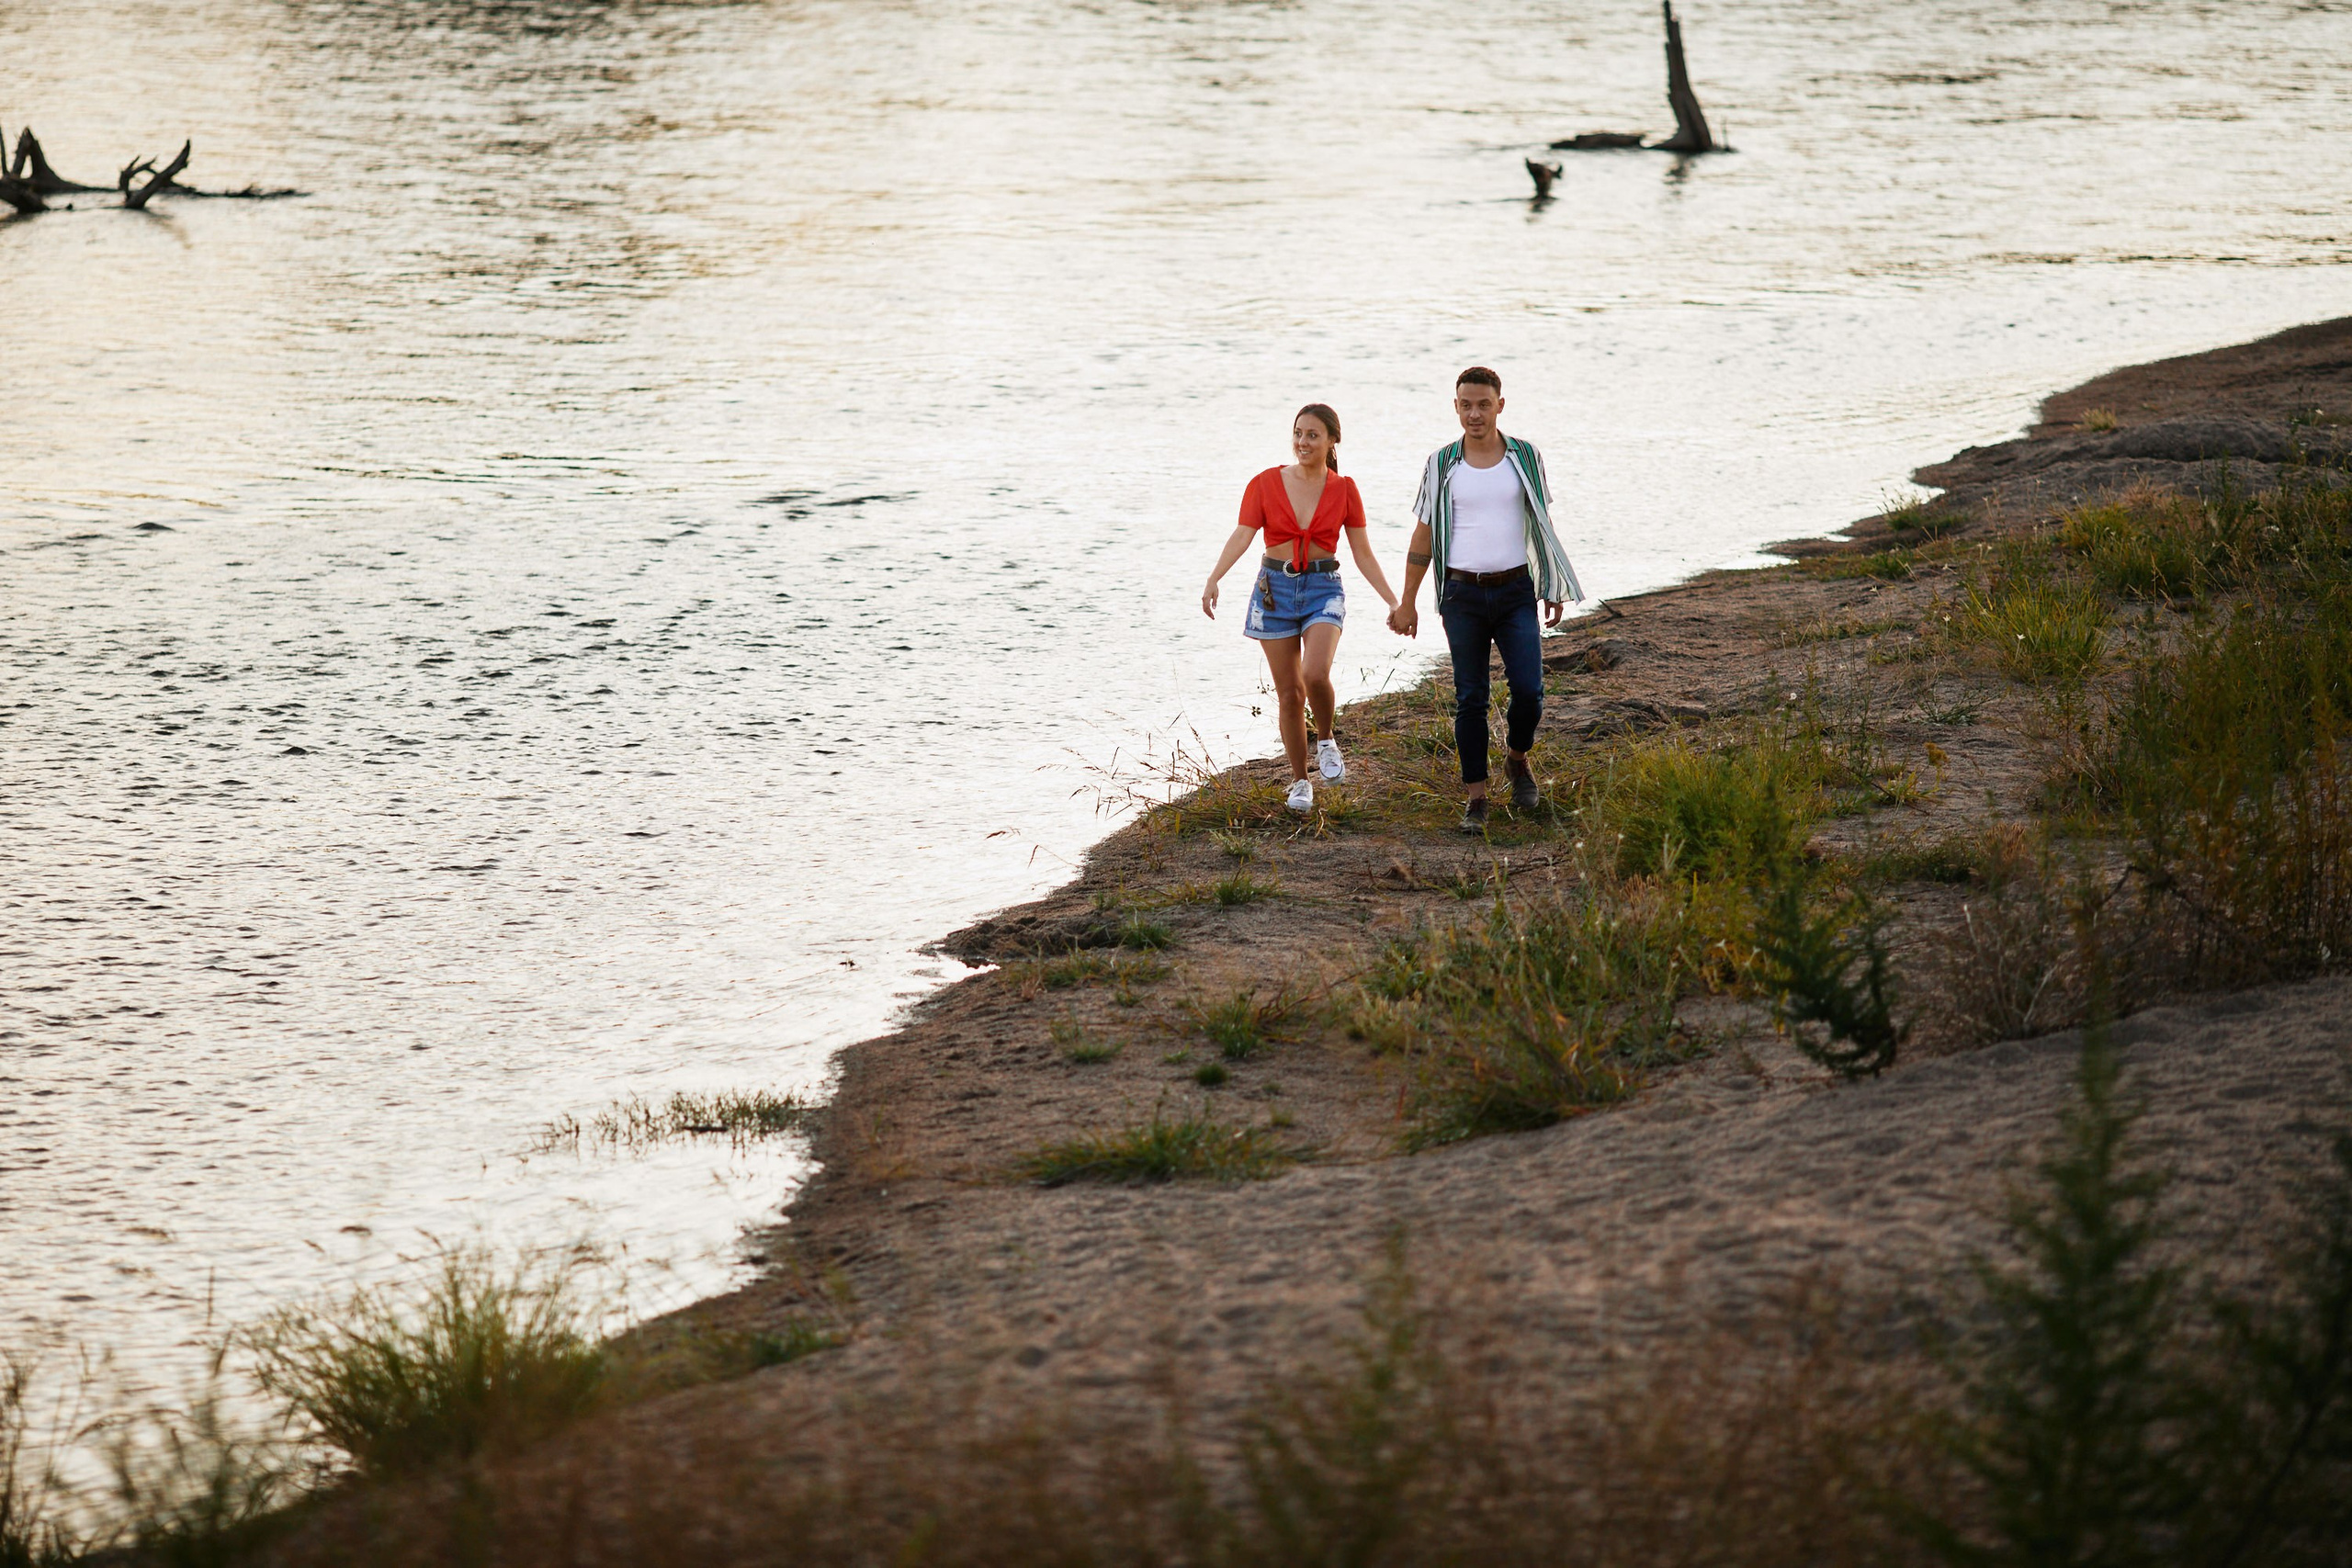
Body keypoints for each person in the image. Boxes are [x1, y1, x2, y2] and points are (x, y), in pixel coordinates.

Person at [1386, 367, 1584, 833]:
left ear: (1499, 404)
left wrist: (1552, 582)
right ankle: (1476, 799)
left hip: (1517, 591)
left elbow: (1541, 521)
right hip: (1462, 595)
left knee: (1530, 694)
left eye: (1483, 404)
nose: (1475, 413)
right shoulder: (1441, 464)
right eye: (1466, 405)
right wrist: (1408, 600)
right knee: (1470, 697)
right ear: (1456, 407)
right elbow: (1423, 534)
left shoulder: (1525, 456)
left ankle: (1517, 760)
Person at [1202, 403, 1402, 814]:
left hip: (1323, 588)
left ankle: (1326, 739)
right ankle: (1299, 780)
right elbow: (1243, 534)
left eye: (1313, 435)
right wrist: (1214, 577)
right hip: (1272, 591)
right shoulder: (1264, 483)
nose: (1302, 442)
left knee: (1314, 674)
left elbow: (1363, 554)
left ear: (1332, 441)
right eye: (1298, 433)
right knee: (1290, 694)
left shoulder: (1345, 489)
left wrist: (1394, 600)